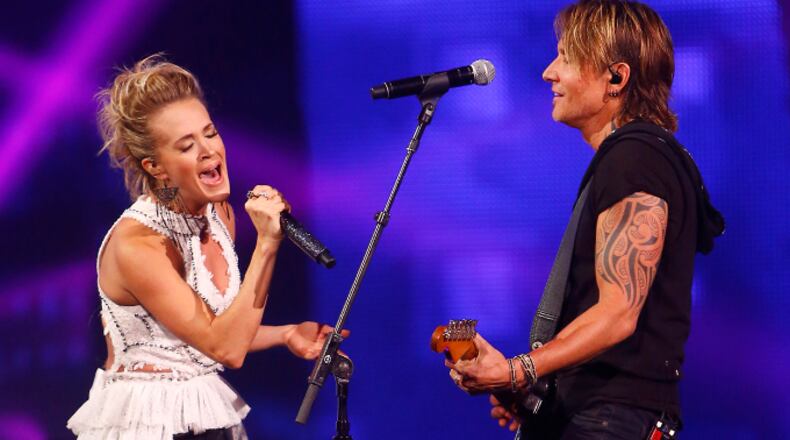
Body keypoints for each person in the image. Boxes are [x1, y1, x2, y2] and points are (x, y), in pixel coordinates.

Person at [443, 1, 724, 438]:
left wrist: (518, 371)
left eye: (566, 58)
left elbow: (618, 314)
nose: (548, 72)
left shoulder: (635, 158)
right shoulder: (637, 159)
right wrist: (538, 395)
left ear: (616, 77)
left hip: (612, 421)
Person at [66, 55, 344, 439]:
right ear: (156, 167)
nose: (208, 151)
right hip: (147, 425)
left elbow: (210, 330)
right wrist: (267, 243)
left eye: (209, 133)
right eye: (186, 145)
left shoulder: (218, 214)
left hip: (204, 414)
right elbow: (226, 349)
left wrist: (285, 333)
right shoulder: (139, 246)